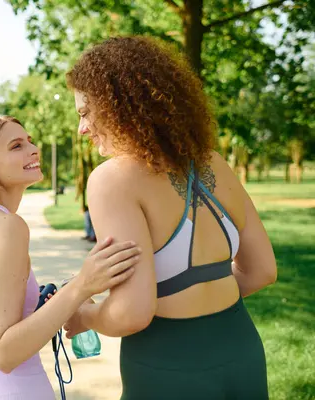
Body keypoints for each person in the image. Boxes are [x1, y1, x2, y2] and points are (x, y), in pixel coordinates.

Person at [63, 36, 277, 399]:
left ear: (121, 105)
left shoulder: (112, 180)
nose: (82, 128)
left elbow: (132, 313)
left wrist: (83, 315)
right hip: (242, 352)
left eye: (85, 112)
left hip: (167, 367)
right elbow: (262, 270)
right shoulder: (215, 162)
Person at [0, 115, 141, 399]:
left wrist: (35, 317)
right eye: (16, 146)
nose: (33, 150)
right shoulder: (7, 226)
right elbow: (5, 355)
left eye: (30, 142)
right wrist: (82, 285)